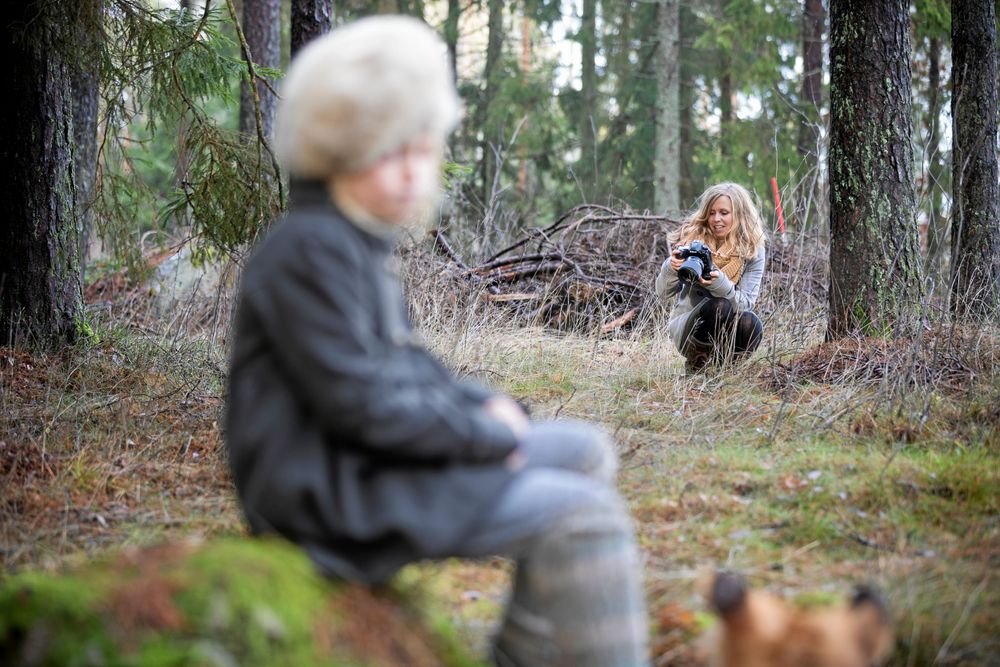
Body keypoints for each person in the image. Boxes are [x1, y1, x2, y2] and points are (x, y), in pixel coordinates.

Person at [225, 16, 648, 667]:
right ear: (336, 145)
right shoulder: (305, 249)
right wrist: (487, 440)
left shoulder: (352, 242)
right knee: (585, 515)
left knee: (585, 451)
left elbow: (406, 366)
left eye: (421, 151)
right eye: (387, 151)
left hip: (363, 463)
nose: (410, 173)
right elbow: (361, 401)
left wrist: (484, 407)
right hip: (328, 496)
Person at [655, 183, 767, 373]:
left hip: (728, 329)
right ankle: (696, 367)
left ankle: (727, 370)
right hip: (689, 328)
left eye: (724, 213)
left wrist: (719, 283)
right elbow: (663, 294)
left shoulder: (753, 251)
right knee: (718, 306)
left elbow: (746, 303)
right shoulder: (692, 241)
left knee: (750, 321)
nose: (716, 219)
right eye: (712, 212)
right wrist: (671, 267)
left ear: (739, 215)